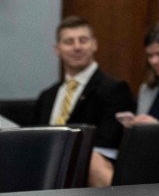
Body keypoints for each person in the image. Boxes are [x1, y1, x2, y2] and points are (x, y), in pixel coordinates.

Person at [32, 15, 134, 187]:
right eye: (69, 42)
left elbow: (108, 142)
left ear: (94, 44)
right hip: (43, 167)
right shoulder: (46, 96)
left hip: (89, 167)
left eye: (83, 40)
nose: (77, 47)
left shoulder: (114, 89)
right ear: (57, 49)